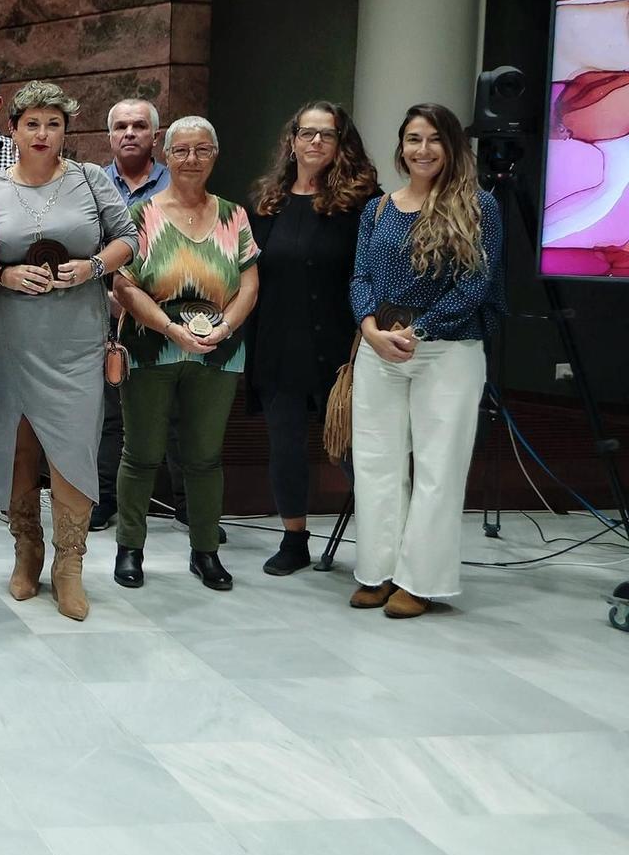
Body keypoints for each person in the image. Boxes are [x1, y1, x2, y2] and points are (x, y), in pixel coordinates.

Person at [0, 82, 137, 622]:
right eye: (32, 124)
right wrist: (2, 272)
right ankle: (27, 550)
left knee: (71, 449)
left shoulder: (90, 180)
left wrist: (95, 267)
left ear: (67, 130)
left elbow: (128, 238)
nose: (43, 134)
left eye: (54, 124)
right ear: (13, 128)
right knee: (17, 447)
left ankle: (70, 564)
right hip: (7, 336)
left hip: (74, 340)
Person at [347, 103, 504, 618]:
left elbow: (477, 284)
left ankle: (420, 581)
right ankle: (378, 571)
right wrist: (370, 328)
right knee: (376, 465)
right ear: (401, 147)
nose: (423, 149)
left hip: (448, 352)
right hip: (381, 349)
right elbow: (361, 277)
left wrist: (422, 330)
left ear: (453, 145)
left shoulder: (480, 205)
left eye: (434, 138)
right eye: (413, 138)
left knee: (439, 467)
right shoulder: (379, 209)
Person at [111, 117, 259, 592]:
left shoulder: (235, 215)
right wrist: (171, 328)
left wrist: (224, 327)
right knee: (142, 455)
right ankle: (130, 549)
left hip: (218, 352)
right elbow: (123, 285)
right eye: (181, 151)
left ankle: (205, 552)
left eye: (202, 150)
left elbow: (250, 282)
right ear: (166, 156)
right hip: (152, 346)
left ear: (215, 155)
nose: (191, 159)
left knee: (204, 457)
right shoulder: (139, 215)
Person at [246, 101, 379, 575]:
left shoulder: (365, 204)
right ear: (292, 140)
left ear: (343, 143)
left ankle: (388, 540)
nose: (316, 142)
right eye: (307, 133)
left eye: (328, 134)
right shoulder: (267, 202)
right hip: (278, 342)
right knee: (285, 446)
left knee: (352, 448)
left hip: (341, 347)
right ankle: (294, 539)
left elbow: (371, 276)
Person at [92, 97, 171, 530]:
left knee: (173, 412)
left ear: (155, 136)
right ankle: (105, 500)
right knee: (107, 411)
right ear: (109, 136)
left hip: (164, 315)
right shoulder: (90, 185)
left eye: (139, 126)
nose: (129, 133)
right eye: (120, 126)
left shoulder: (176, 185)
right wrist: (110, 296)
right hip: (103, 313)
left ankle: (185, 504)